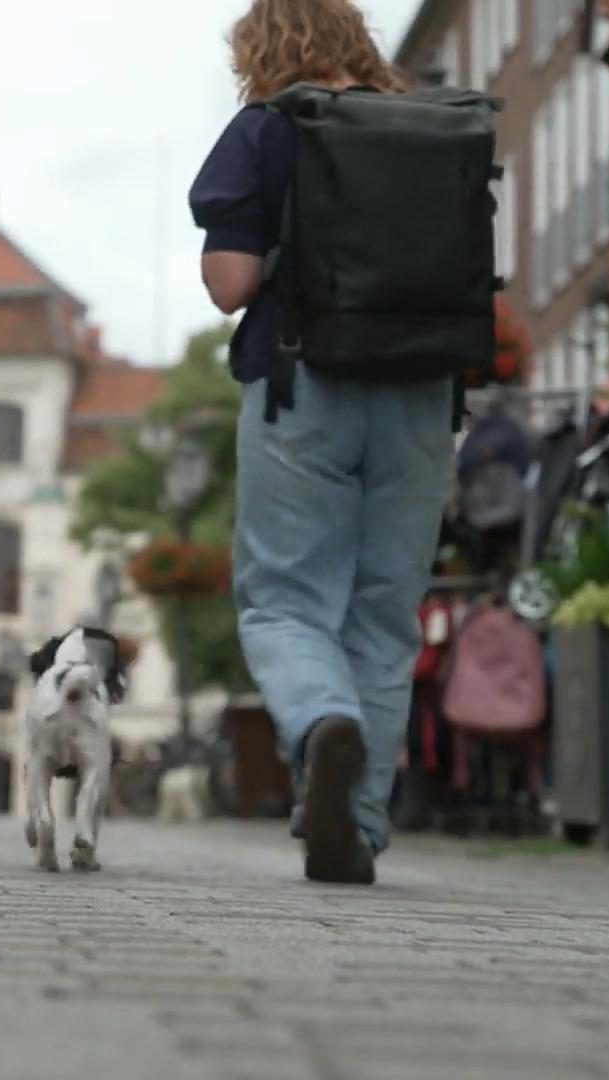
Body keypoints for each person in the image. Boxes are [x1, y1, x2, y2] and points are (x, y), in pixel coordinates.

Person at [190, 0, 453, 885]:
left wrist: (276, 256)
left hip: (306, 384)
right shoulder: (430, 130)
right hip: (422, 391)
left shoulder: (268, 128)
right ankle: (357, 823)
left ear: (261, 50)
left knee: (287, 601)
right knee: (384, 613)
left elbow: (230, 284)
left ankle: (319, 724)